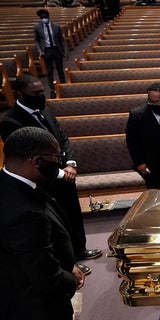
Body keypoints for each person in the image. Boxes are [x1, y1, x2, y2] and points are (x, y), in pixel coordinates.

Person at [0, 74, 101, 275]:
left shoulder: (44, 109)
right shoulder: (10, 121)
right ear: (20, 94)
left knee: (72, 214)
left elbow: (62, 138)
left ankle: (79, 249)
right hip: (44, 178)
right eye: (35, 93)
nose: (41, 96)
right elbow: (28, 157)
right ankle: (68, 261)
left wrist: (70, 164)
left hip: (65, 173)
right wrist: (60, 173)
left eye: (42, 92)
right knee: (56, 224)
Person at [0, 127, 86, 320]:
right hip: (34, 305)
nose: (58, 163)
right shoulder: (23, 213)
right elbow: (45, 275)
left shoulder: (14, 182)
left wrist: (68, 262)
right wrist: (70, 280)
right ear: (38, 161)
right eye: (56, 157)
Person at [34, 9, 67, 99]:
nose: (43, 19)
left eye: (44, 17)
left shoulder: (56, 26)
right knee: (49, 71)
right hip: (46, 51)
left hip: (56, 49)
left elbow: (62, 40)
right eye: (41, 17)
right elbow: (37, 40)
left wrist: (65, 52)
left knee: (60, 70)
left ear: (48, 17)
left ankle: (64, 87)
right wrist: (40, 51)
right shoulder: (37, 27)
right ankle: (52, 90)